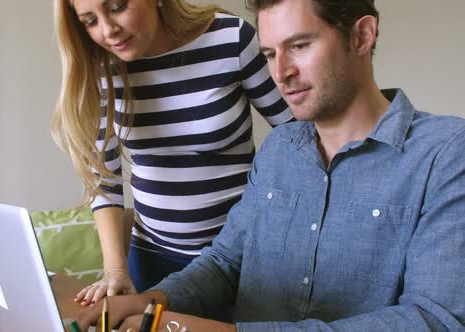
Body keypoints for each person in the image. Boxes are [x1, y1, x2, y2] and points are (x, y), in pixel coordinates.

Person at [73, 0, 465, 330]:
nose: (281, 74)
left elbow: (434, 318)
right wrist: (151, 302)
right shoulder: (279, 149)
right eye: (270, 54)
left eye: (300, 46)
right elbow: (226, 262)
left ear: (362, 36)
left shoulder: (445, 154)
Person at [51, 0, 293, 304]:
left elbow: (297, 136)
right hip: (152, 257)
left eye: (116, 6)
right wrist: (114, 269)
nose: (108, 30)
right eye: (90, 21)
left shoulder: (231, 40)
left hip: (238, 259)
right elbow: (105, 179)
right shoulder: (102, 66)